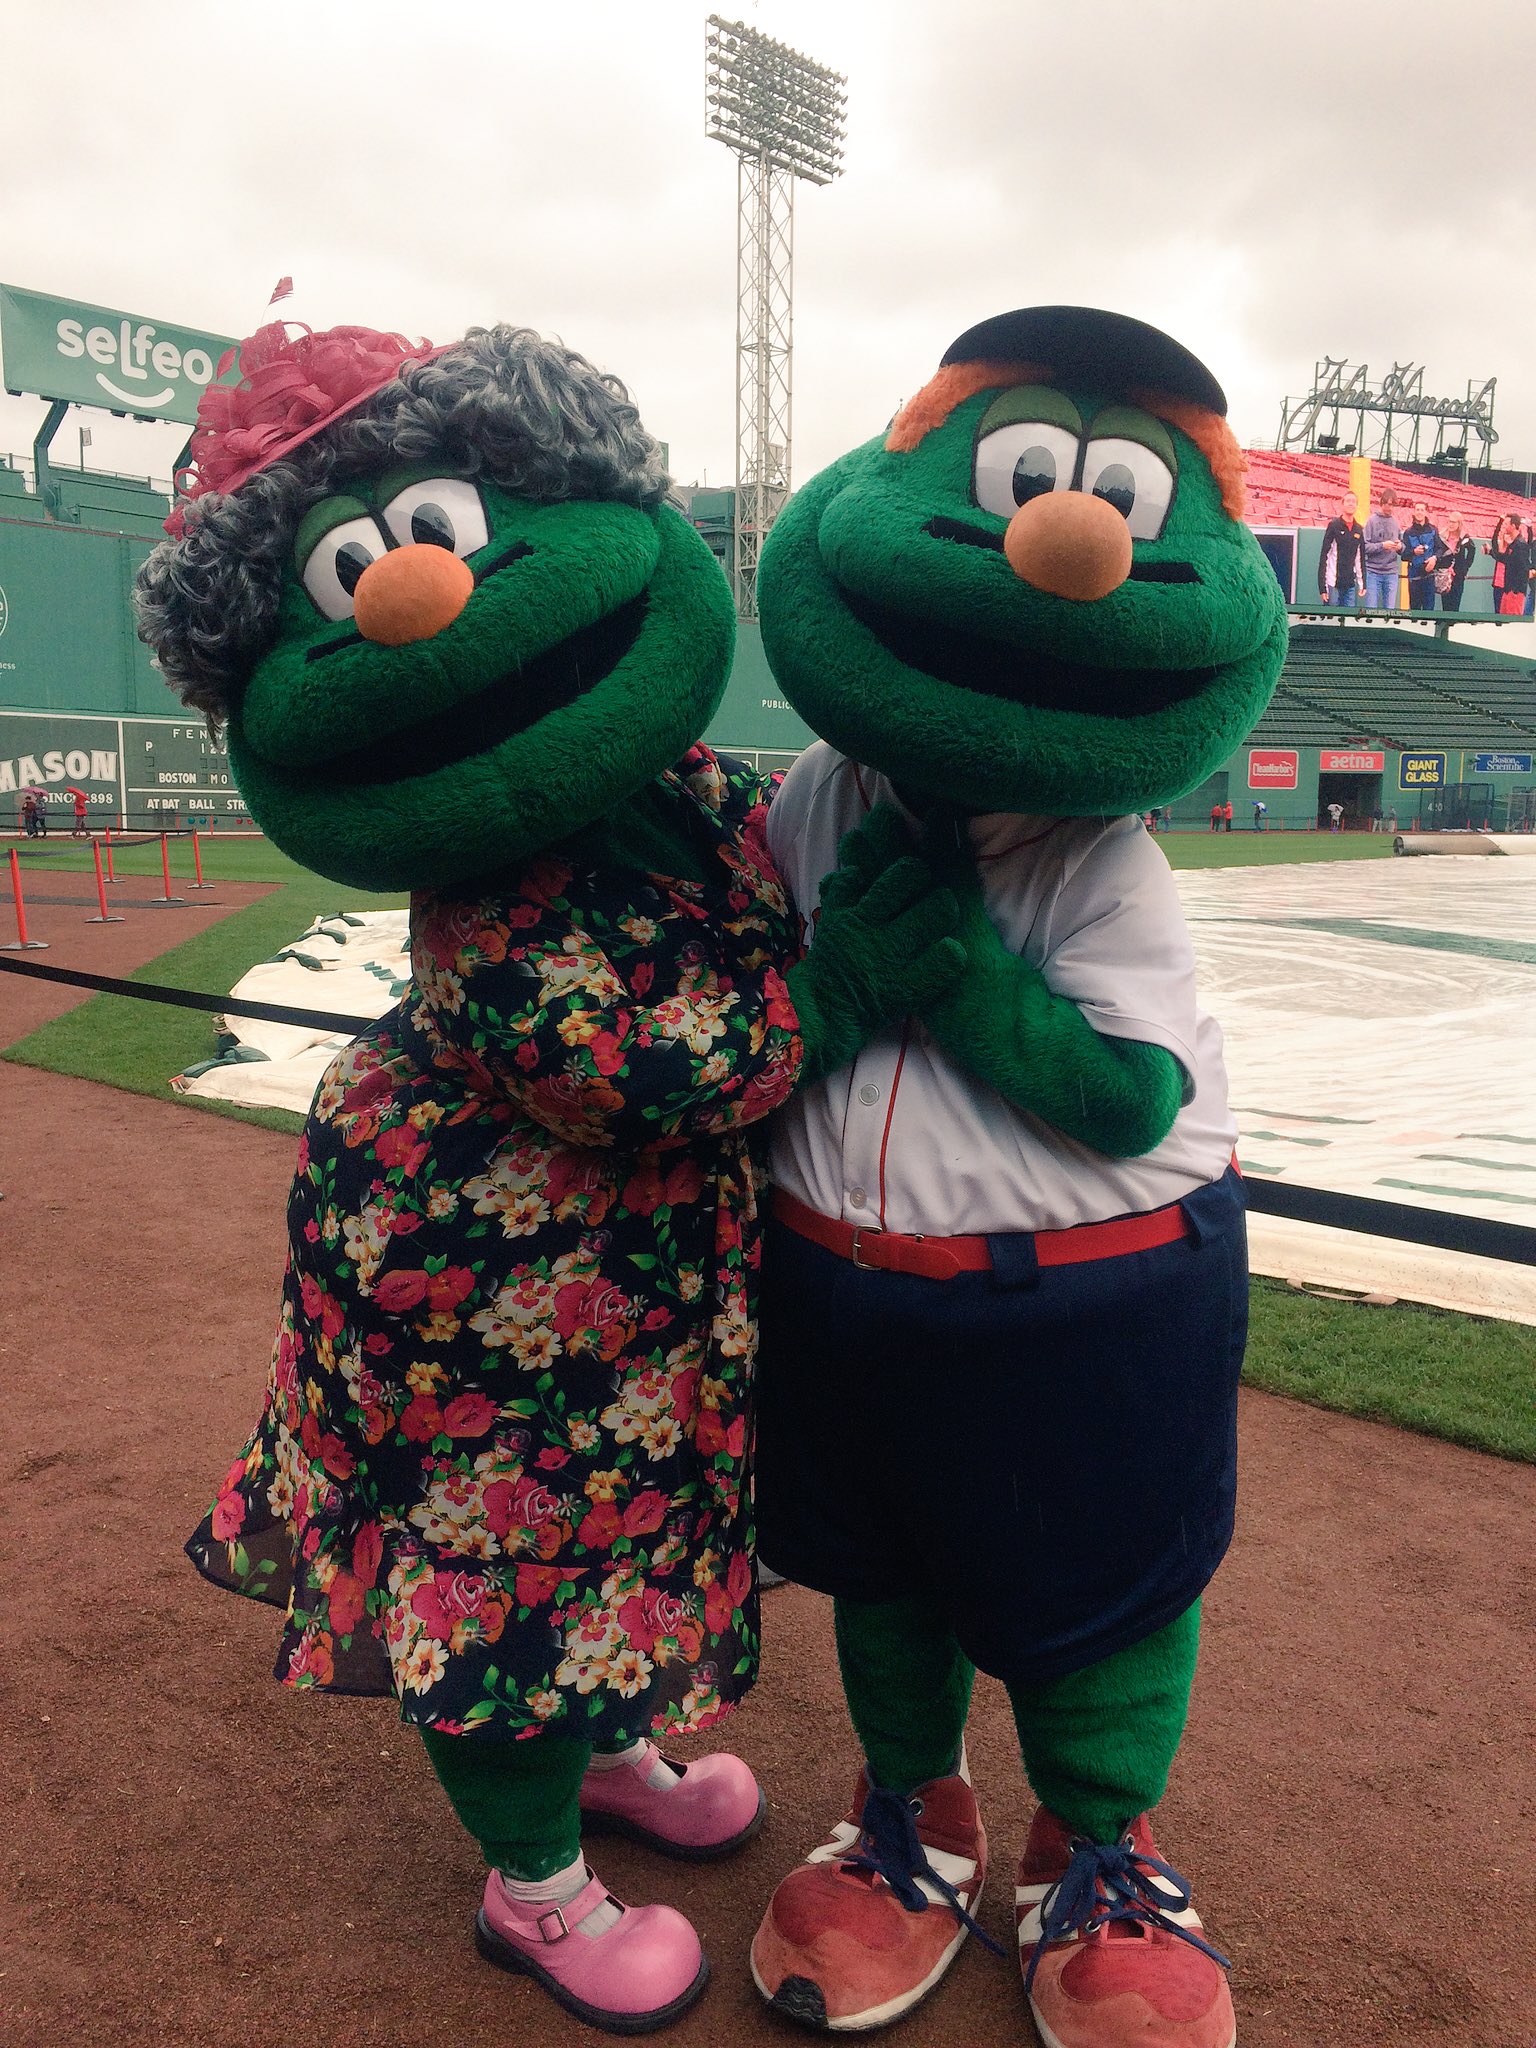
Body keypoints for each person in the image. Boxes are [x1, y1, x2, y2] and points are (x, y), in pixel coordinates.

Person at [136, 316, 964, 2034]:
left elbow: (784, 828)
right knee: (497, 1567)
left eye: (446, 528)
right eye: (352, 572)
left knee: (611, 1538)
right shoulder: (486, 881)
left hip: (638, 1294)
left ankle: (596, 1745)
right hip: (469, 1294)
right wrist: (834, 992)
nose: (420, 597)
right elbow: (638, 1060)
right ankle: (534, 1882)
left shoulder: (674, 783)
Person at [749, 304, 1289, 2048]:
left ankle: (1102, 1845)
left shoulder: (1099, 848)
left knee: (1102, 1590)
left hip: (1087, 1300)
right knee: (890, 1576)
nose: (1061, 535)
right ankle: (919, 1814)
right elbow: (756, 1009)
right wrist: (826, 991)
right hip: (846, 1284)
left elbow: (1128, 1092)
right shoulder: (810, 796)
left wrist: (963, 987)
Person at [1317, 490, 1366, 608]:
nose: (1351, 504)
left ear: (1357, 506)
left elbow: (1360, 559)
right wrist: (1322, 588)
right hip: (1333, 584)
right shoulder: (1334, 526)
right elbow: (1325, 556)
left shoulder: (1359, 529)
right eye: (1348, 501)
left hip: (1349, 585)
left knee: (1348, 621)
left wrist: (1362, 583)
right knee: (1331, 620)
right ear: (1342, 504)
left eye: (1354, 502)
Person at [1363, 488, 1403, 610]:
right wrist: (1382, 546)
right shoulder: (1371, 521)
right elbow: (1364, 546)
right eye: (1388, 504)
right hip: (1373, 571)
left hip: (1391, 572)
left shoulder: (1396, 522)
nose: (1390, 508)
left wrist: (1400, 547)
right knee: (1371, 609)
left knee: (1390, 611)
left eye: (1393, 505)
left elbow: (1402, 546)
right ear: (1382, 503)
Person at [1401, 501, 1442, 612]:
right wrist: (1414, 552)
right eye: (1417, 509)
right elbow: (1403, 555)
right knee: (1414, 609)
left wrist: (1434, 559)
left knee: (1429, 609)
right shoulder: (1408, 533)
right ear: (1414, 512)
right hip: (1414, 577)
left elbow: (1440, 549)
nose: (1419, 512)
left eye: (1422, 510)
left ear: (1426, 512)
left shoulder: (1433, 530)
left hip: (1429, 576)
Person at [1486, 515, 1531, 616]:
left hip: (1514, 592)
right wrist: (1490, 552)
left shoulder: (1521, 545)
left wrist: (1516, 591)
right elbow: (1506, 560)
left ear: (1513, 526)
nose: (1505, 526)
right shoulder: (1514, 544)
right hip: (1507, 590)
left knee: (1513, 622)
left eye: (1507, 524)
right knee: (1503, 620)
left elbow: (1524, 570)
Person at [1436, 515, 1476, 612]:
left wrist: (1465, 568)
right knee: (1445, 603)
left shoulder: (1464, 537)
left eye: (1454, 522)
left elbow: (1472, 550)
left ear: (1459, 524)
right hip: (1444, 575)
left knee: (1455, 603)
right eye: (1450, 521)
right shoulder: (1442, 536)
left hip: (1458, 575)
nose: (1451, 524)